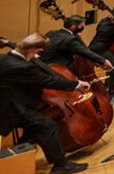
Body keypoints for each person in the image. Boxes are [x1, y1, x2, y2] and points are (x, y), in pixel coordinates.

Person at [0, 34, 92, 174]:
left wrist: (30, 59)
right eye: (38, 51)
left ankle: (21, 157)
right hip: (12, 108)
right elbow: (49, 81)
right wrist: (76, 83)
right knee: (47, 126)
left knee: (34, 129)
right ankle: (60, 165)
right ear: (31, 50)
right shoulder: (22, 67)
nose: (38, 54)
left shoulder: (6, 58)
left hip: (13, 101)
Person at [41, 15, 112, 70]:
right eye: (81, 25)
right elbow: (85, 52)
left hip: (43, 65)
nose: (83, 27)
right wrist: (103, 61)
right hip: (58, 68)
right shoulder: (70, 39)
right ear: (73, 27)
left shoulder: (51, 33)